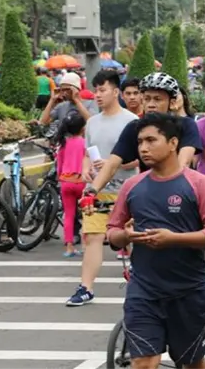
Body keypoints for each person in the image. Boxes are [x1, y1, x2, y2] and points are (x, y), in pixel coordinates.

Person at [105, 113, 205, 369]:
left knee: (191, 362)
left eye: (151, 140)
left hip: (188, 291)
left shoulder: (199, 184)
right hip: (144, 291)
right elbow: (113, 233)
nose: (143, 148)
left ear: (173, 143)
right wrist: (126, 236)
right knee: (144, 362)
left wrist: (174, 240)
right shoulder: (132, 186)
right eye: (140, 142)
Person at [65, 70, 139, 306]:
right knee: (93, 237)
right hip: (96, 189)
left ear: (116, 92)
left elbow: (141, 158)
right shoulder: (93, 122)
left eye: (102, 90)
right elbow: (88, 152)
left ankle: (141, 283)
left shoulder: (132, 122)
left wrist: (114, 164)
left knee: (134, 237)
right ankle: (85, 288)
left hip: (126, 190)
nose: (97, 95)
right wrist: (86, 168)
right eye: (95, 90)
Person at [56, 114, 87, 258]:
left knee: (69, 215)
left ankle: (69, 248)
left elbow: (59, 167)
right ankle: (87, 246)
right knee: (88, 214)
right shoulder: (85, 143)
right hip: (81, 181)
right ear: (83, 128)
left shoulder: (63, 143)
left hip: (65, 182)